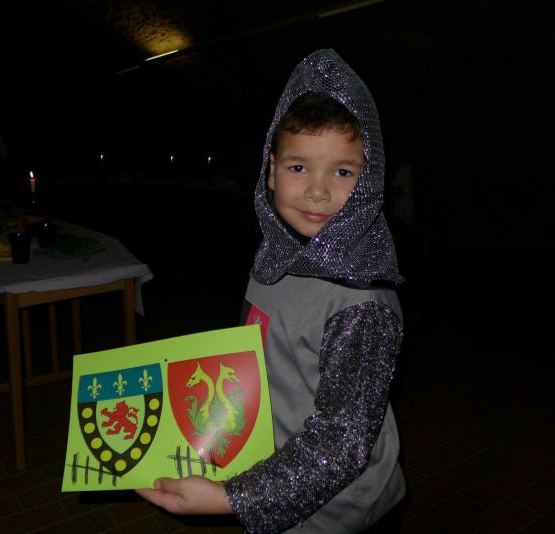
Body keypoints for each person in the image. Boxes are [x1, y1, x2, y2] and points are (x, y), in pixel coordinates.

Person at [136, 49, 406, 533]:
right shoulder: (275, 259)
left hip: (337, 511)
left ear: (369, 180)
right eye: (299, 167)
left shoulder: (361, 304)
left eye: (342, 171)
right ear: (271, 169)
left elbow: (340, 442)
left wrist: (232, 499)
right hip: (268, 466)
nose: (318, 191)